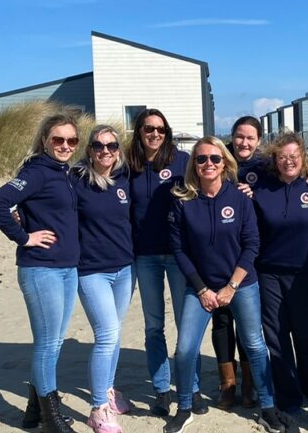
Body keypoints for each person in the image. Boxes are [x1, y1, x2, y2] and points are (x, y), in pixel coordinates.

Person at [167, 137, 294, 433]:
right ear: (194, 164)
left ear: (225, 163)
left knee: (254, 345)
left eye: (215, 158)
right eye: (201, 159)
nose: (208, 164)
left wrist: (231, 287)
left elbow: (252, 245)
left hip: (241, 284)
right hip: (200, 288)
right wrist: (202, 290)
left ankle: (267, 408)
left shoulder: (239, 198)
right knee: (185, 349)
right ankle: (184, 408)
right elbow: (179, 251)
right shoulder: (183, 200)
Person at [0, 113, 81, 433]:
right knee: (48, 344)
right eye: (58, 139)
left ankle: (32, 411)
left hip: (66, 269)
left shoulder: (64, 172)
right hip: (42, 270)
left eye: (72, 140)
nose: (65, 145)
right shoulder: (38, 171)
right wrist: (24, 237)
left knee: (53, 342)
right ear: (45, 140)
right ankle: (51, 419)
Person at [126, 109, 203, 417]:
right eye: (149, 128)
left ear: (166, 132)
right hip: (145, 256)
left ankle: (192, 388)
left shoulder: (181, 161)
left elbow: (212, 181)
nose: (155, 134)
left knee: (187, 325)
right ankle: (161, 391)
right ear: (139, 131)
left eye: (160, 129)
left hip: (178, 255)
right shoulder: (128, 164)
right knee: (154, 326)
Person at [253, 132, 308, 413]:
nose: (289, 161)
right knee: (276, 334)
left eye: (294, 156)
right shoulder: (261, 189)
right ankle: (288, 394)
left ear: (303, 158)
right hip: (269, 272)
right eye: (283, 156)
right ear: (275, 159)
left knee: (305, 331)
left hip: (306, 272)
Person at [72, 125, 135, 433]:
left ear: (118, 150)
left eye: (111, 146)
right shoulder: (76, 179)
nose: (105, 151)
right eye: (99, 146)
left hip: (125, 269)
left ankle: (108, 390)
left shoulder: (124, 177)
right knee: (107, 335)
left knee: (116, 333)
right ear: (90, 150)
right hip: (91, 270)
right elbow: (48, 202)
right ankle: (98, 408)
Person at [211, 116, 265, 409]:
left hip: (251, 257)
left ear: (258, 141)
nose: (244, 142)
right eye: (239, 136)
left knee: (247, 322)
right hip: (218, 257)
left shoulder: (264, 166)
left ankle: (249, 383)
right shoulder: (218, 158)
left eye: (250, 138)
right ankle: (227, 383)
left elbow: (291, 175)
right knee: (221, 321)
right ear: (231, 136)